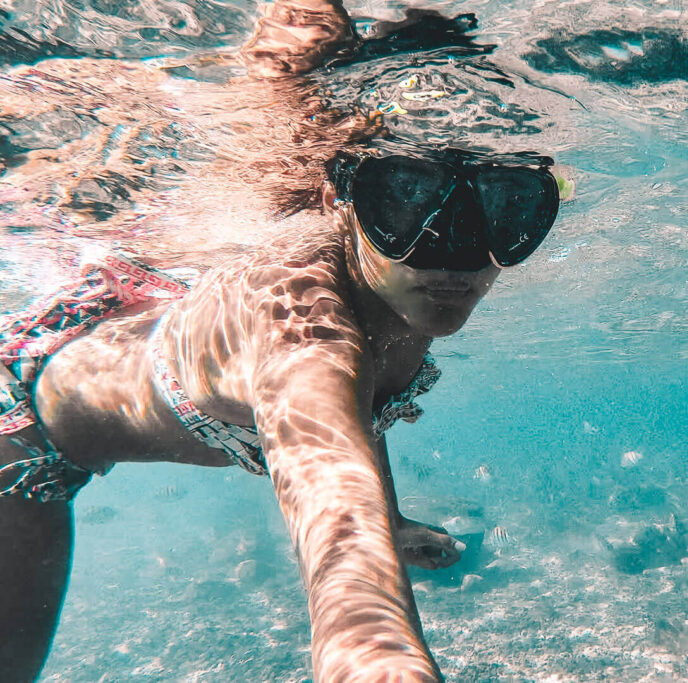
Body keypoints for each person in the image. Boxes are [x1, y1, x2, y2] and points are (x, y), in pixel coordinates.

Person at [0, 1, 562, 681]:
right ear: (343, 197)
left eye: (506, 209)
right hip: (20, 439)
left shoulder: (384, 289)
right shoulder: (304, 337)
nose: (456, 254)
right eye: (405, 201)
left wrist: (387, 517)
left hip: (112, 325)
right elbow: (349, 585)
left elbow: (346, 424)